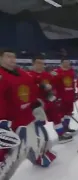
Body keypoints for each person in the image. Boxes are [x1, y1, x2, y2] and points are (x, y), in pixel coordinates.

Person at [0, 49, 56, 179]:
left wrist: (42, 92)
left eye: (14, 57)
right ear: (1, 58)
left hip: (26, 117)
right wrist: (1, 120)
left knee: (37, 139)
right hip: (9, 121)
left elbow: (32, 84)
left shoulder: (21, 72)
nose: (12, 59)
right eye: (8, 56)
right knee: (7, 150)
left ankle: (38, 156)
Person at [28, 56, 73, 143]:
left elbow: (54, 87)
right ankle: (39, 140)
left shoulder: (47, 75)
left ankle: (61, 135)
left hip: (48, 100)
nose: (41, 65)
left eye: (42, 63)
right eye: (38, 63)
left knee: (56, 117)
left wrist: (53, 94)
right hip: (37, 102)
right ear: (33, 63)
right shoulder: (29, 75)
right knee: (39, 121)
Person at [51, 58, 76, 134]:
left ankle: (66, 127)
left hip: (70, 96)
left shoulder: (71, 72)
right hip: (61, 97)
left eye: (68, 62)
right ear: (61, 63)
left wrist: (74, 93)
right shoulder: (56, 72)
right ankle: (62, 129)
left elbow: (72, 83)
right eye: (65, 62)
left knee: (68, 113)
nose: (67, 64)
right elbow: (53, 84)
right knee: (61, 114)